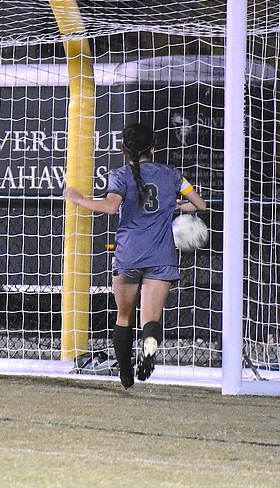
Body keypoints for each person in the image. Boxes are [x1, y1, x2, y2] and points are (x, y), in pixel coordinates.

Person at [63, 122, 206, 389]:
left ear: (123, 149)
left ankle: (126, 375)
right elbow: (200, 205)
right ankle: (149, 345)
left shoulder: (119, 175)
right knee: (150, 319)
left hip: (129, 254)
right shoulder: (172, 174)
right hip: (161, 256)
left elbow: (110, 206)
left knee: (124, 316)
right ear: (154, 148)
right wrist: (172, 204)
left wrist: (78, 199)